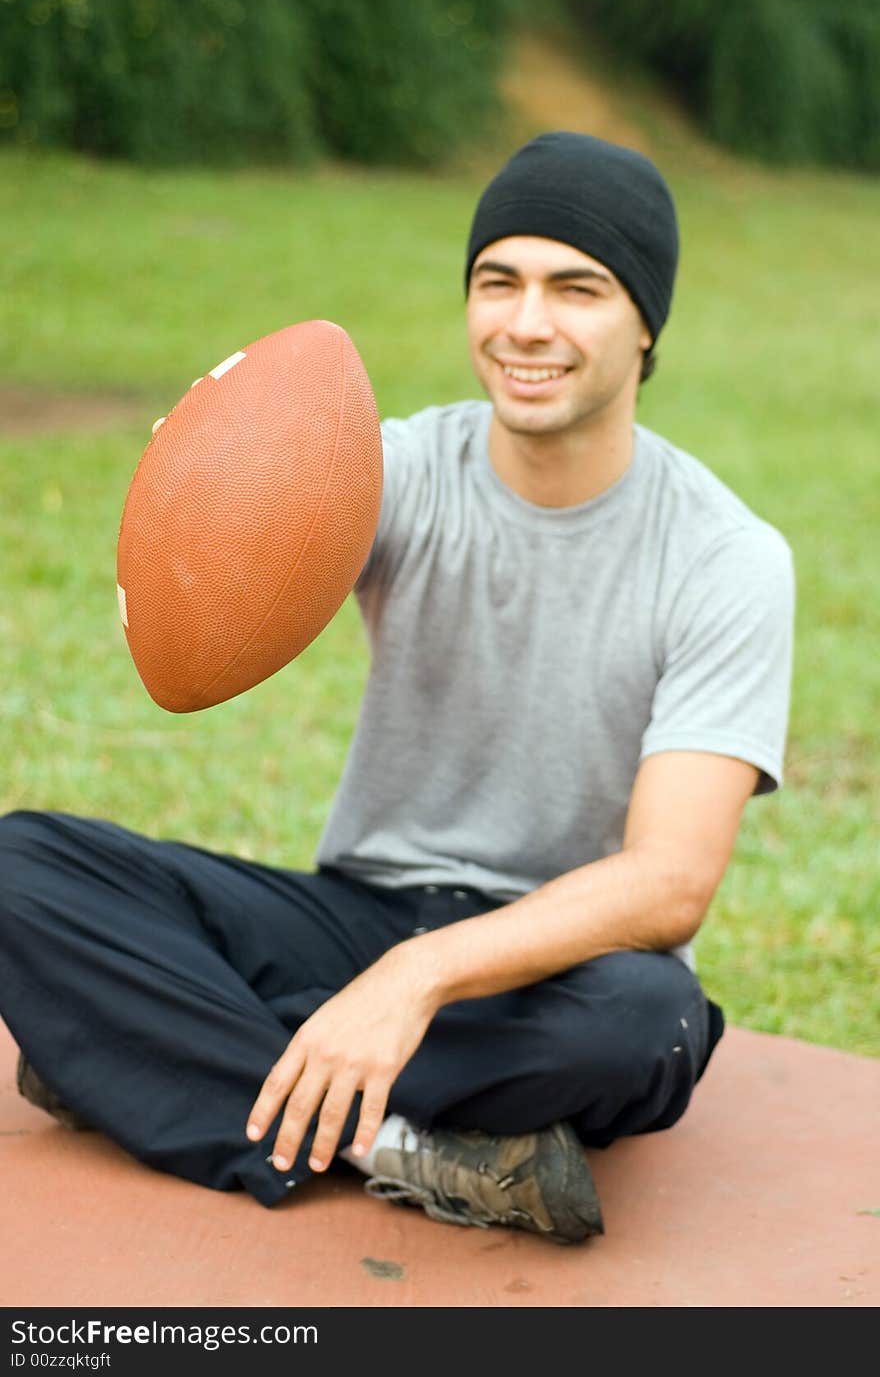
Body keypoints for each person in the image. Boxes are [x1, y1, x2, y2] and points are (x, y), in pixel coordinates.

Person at [0, 132, 794, 1245]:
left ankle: (148, 1058)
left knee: (646, 1024)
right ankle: (391, 1142)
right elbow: (228, 557)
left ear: (645, 322)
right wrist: (204, 477)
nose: (526, 322)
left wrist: (415, 978)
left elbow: (668, 882)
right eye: (496, 280)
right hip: (358, 909)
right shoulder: (397, 470)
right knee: (20, 866)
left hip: (545, 961)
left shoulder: (724, 557)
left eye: (578, 288)